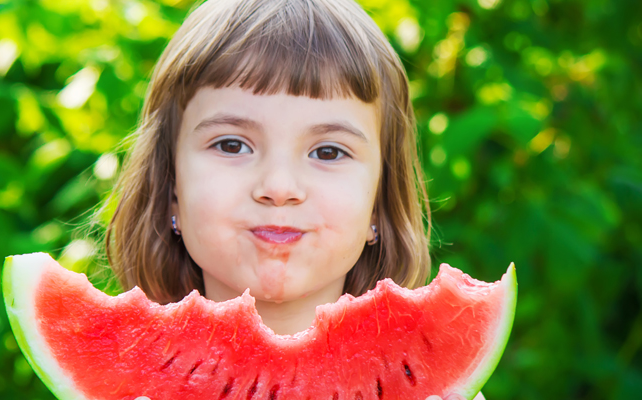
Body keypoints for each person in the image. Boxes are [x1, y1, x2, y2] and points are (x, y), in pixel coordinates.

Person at [103, 0, 485, 399]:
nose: (280, 186)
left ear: (379, 200)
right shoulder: (119, 386)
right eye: (232, 145)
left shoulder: (443, 392)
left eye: (328, 152)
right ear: (170, 187)